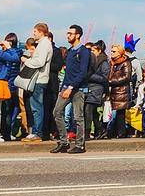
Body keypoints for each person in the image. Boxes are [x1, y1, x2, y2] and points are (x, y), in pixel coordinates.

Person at [52, 25, 94, 153]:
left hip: (78, 89)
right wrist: (63, 87)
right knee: (57, 112)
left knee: (78, 117)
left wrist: (71, 87)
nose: (68, 35)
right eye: (67, 33)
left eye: (70, 33)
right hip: (66, 87)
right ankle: (64, 142)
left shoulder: (83, 51)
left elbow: (82, 73)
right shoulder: (70, 52)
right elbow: (68, 72)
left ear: (78, 35)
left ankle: (80, 145)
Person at [16, 23, 53, 142]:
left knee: (36, 106)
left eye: (35, 32)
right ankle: (37, 131)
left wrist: (27, 61)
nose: (34, 34)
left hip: (39, 79)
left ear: (41, 32)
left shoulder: (44, 44)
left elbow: (40, 62)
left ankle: (38, 132)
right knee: (36, 106)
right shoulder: (43, 44)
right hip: (40, 78)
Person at [106, 45, 135, 138]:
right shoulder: (112, 63)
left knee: (120, 113)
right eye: (111, 51)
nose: (112, 53)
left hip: (121, 91)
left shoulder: (125, 63)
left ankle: (121, 133)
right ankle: (117, 131)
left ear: (120, 52)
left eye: (114, 51)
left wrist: (111, 81)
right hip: (113, 91)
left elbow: (126, 77)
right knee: (117, 113)